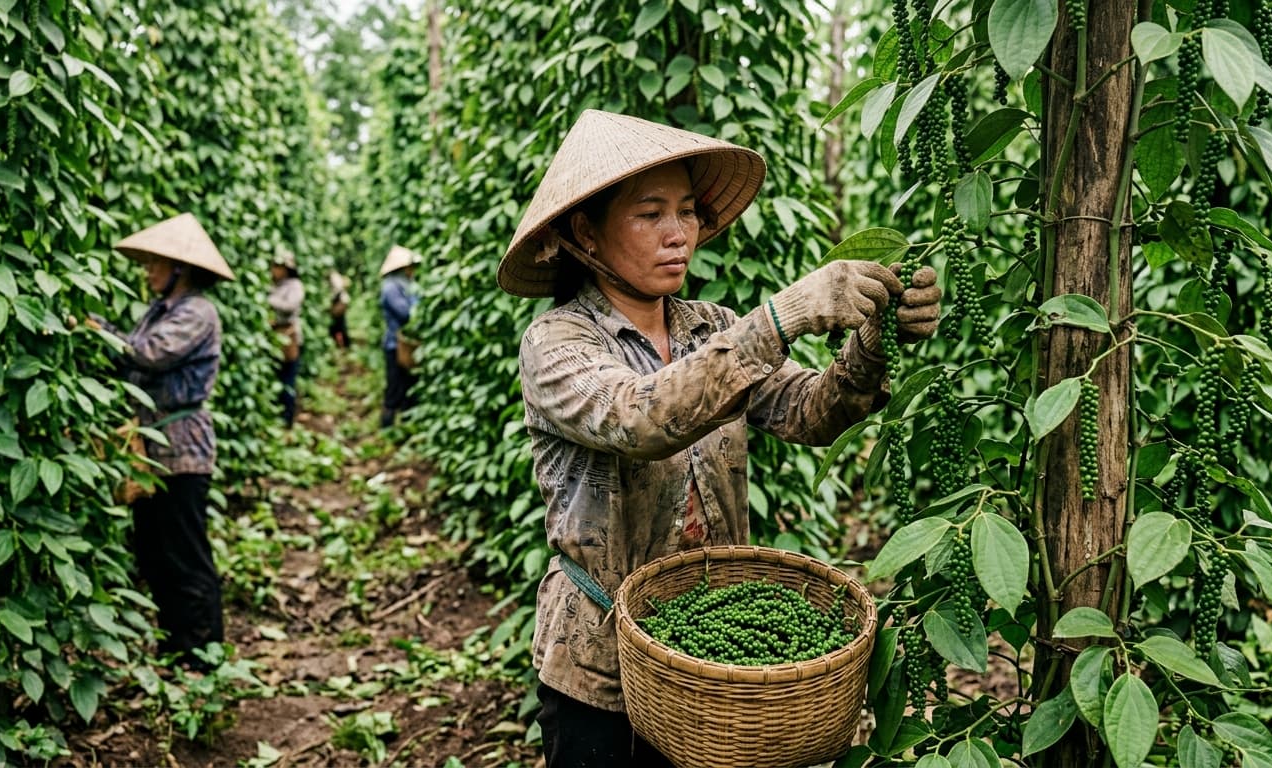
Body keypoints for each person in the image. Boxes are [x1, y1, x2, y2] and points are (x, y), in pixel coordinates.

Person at [497, 109, 942, 767]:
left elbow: (807, 411)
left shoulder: (712, 327)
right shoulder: (558, 343)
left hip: (708, 644)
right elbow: (639, 418)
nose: (679, 234)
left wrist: (873, 348)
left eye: (686, 211)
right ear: (586, 233)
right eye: (650, 215)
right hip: (598, 658)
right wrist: (782, 317)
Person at [93, 212, 234, 669]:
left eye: (155, 263)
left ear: (180, 269)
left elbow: (148, 355)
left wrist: (100, 331)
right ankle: (175, 652)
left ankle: (204, 656)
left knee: (186, 554)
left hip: (182, 449)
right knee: (153, 553)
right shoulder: (157, 311)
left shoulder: (197, 312)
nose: (147, 271)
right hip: (149, 448)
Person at [378, 245, 419, 428]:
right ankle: (386, 428)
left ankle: (405, 427)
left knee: (409, 388)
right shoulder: (390, 288)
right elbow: (405, 314)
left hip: (407, 345)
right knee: (394, 387)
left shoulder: (407, 285)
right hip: (394, 345)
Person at [268, 248, 305, 427]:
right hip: (274, 334)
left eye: (278, 267)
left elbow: (290, 306)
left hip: (289, 334)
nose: (274, 270)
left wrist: (270, 300)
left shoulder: (294, 285)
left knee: (288, 378)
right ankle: (276, 417)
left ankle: (288, 420)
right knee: (275, 377)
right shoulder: (273, 285)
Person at [328, 269, 351, 349]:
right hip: (341, 303)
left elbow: (338, 290)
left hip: (340, 303)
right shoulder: (334, 276)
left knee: (339, 326)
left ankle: (344, 345)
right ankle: (343, 344)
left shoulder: (334, 277)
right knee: (339, 325)